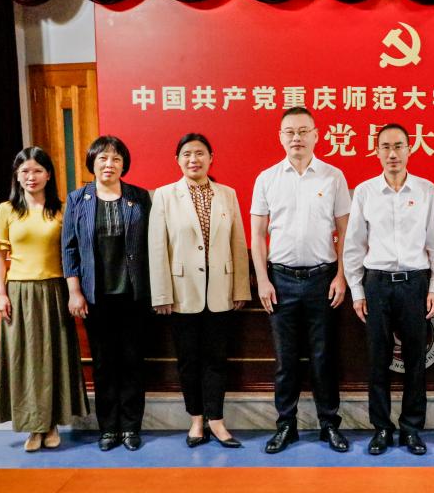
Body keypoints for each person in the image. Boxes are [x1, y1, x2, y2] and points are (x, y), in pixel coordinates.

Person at [250, 106, 351, 454]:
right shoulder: (267, 179)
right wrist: (263, 280)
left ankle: (329, 425)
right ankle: (286, 425)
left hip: (324, 279)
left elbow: (345, 232)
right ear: (280, 137)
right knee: (285, 359)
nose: (297, 137)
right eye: (290, 131)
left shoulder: (333, 176)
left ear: (316, 135)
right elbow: (257, 235)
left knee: (324, 357)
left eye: (303, 131)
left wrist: (341, 275)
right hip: (280, 281)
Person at [344, 123, 434, 456]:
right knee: (378, 360)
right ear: (376, 151)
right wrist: (357, 291)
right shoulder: (365, 192)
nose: (392, 153)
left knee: (415, 359)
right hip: (377, 283)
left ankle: (411, 428)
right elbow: (354, 245)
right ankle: (382, 428)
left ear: (410, 149)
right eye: (385, 147)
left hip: (415, 283)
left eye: (398, 146)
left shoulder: (425, 190)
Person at [148, 133, 250, 448]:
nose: (194, 159)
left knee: (217, 359)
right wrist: (162, 294)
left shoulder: (227, 194)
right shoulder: (165, 195)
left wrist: (240, 287)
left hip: (221, 290)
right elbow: (157, 247)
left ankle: (216, 421)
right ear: (178, 160)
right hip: (182, 293)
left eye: (200, 153)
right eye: (187, 154)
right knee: (188, 360)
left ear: (211, 157)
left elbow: (237, 243)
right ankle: (195, 419)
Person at [0, 146, 89, 452]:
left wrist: (75, 291)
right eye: (25, 171)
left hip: (55, 291)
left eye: (37, 171)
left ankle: (52, 423)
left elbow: (72, 252)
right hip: (19, 293)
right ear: (17, 176)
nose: (30, 177)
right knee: (25, 361)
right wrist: (1, 294)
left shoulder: (63, 209)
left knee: (53, 358)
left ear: (48, 175)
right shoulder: (6, 210)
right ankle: (34, 426)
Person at [62, 136, 151, 452]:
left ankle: (130, 427)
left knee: (132, 362)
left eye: (115, 158)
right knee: (103, 364)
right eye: (102, 158)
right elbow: (69, 248)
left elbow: (153, 244)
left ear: (124, 164)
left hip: (133, 295)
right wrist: (74, 291)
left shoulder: (139, 197)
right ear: (93, 163)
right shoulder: (77, 199)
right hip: (95, 297)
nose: (109, 164)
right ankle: (109, 428)